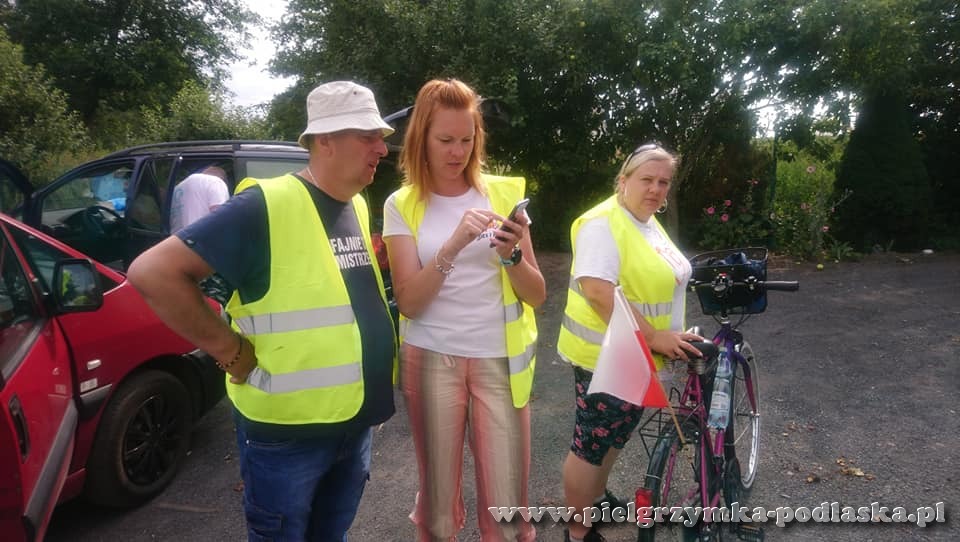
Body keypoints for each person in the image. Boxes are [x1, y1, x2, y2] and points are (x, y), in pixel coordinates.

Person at [127, 81, 398, 541]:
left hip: (353, 425)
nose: (382, 149)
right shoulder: (264, 205)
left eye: (382, 137)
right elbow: (153, 272)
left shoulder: (354, 202)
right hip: (288, 437)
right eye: (368, 136)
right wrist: (228, 351)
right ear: (325, 141)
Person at [382, 78, 545, 541]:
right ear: (421, 138)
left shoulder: (503, 194)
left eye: (467, 139)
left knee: (508, 505)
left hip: (499, 358)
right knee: (437, 505)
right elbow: (409, 303)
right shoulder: (402, 204)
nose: (457, 151)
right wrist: (452, 245)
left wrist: (512, 256)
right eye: (445, 140)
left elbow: (536, 294)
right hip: (431, 358)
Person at [556, 144, 703, 542]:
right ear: (623, 181)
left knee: (613, 436)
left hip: (636, 356)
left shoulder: (644, 221)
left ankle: (595, 499)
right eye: (646, 179)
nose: (655, 189)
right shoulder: (602, 223)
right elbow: (598, 292)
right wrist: (654, 336)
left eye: (663, 182)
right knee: (591, 444)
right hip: (605, 358)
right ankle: (578, 532)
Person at [169, 165, 230, 233]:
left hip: (176, 238)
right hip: (203, 237)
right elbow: (220, 217)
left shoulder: (177, 189)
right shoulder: (216, 182)